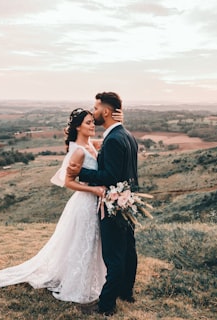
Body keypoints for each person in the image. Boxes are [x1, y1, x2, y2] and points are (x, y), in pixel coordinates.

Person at [0, 107, 123, 304]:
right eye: (88, 123)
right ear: (78, 127)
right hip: (85, 203)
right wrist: (95, 190)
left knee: (92, 243)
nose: (92, 126)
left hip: (95, 202)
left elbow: (112, 139)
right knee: (82, 243)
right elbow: (68, 182)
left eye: (92, 122)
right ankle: (76, 283)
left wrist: (120, 121)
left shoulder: (90, 145)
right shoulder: (78, 152)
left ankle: (92, 281)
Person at [68, 92, 138, 316]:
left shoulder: (115, 139)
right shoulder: (126, 135)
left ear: (106, 111)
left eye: (96, 108)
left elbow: (111, 175)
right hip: (127, 201)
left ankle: (106, 304)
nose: (94, 111)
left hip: (114, 204)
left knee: (114, 256)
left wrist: (82, 172)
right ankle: (126, 292)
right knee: (128, 250)